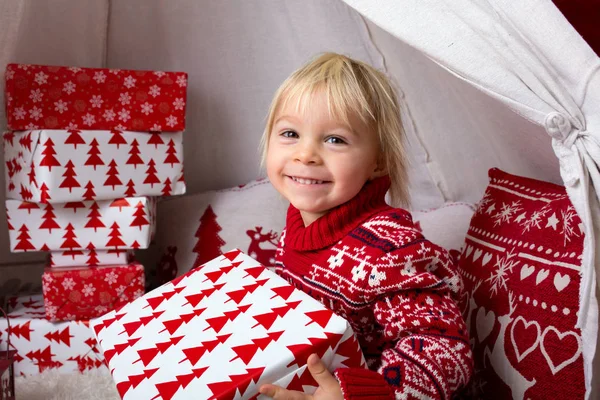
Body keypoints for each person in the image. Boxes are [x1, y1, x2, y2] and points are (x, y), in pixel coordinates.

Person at [258, 53, 472, 400]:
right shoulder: (295, 226)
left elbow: (445, 353)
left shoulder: (388, 251)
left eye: (335, 140)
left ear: (378, 163)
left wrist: (366, 395)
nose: (305, 154)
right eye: (290, 133)